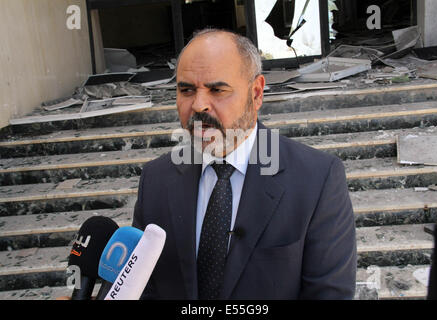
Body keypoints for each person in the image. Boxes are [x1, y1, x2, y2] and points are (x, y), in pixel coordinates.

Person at [132, 28, 357, 300]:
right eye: (187, 90)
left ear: (256, 93)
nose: (199, 105)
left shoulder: (317, 180)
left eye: (217, 90)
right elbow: (142, 287)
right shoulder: (156, 180)